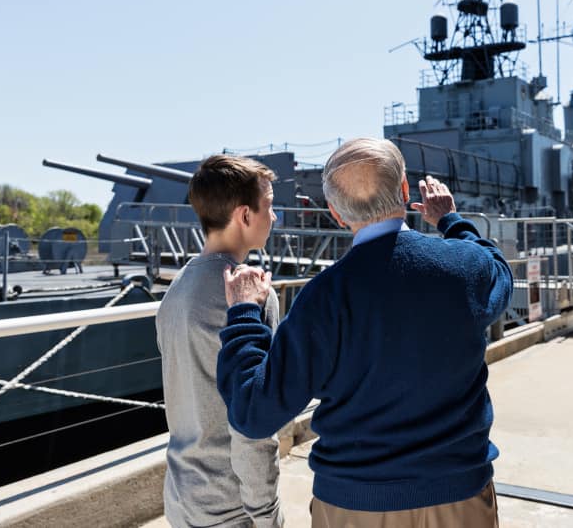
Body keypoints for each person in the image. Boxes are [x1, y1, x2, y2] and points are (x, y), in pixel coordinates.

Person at [218, 137, 513, 527]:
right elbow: (498, 270)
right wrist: (450, 220)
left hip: (355, 505)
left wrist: (242, 314)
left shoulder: (323, 298)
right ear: (405, 191)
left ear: (337, 214)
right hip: (460, 497)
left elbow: (254, 412)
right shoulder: (464, 267)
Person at [155, 154, 284, 528]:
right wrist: (267, 514)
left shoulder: (176, 289)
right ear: (245, 216)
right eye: (270, 206)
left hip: (183, 498)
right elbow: (253, 421)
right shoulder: (253, 295)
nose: (273, 217)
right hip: (234, 508)